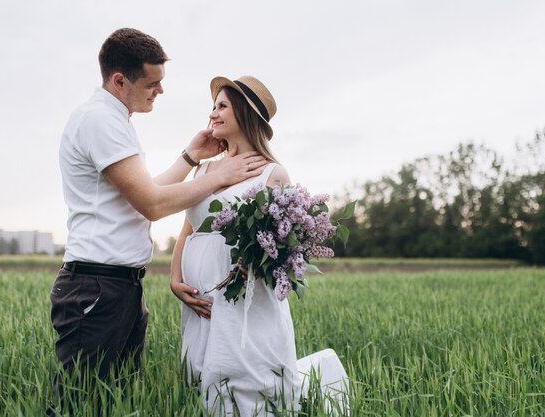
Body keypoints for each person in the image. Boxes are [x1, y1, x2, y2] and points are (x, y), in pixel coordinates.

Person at [49, 29, 266, 413]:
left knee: (114, 400)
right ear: (119, 80)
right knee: (79, 404)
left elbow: (140, 195)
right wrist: (219, 175)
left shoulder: (114, 120)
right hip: (97, 287)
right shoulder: (100, 120)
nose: (160, 92)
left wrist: (189, 157)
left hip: (119, 286)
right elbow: (152, 204)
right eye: (152, 83)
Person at [171, 75, 349, 416]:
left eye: (222, 106)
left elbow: (286, 248)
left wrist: (254, 261)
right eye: (213, 106)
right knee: (201, 373)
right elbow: (187, 230)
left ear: (244, 114)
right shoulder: (204, 170)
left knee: (247, 375)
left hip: (244, 296)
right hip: (201, 295)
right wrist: (174, 279)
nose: (213, 114)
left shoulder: (271, 173)